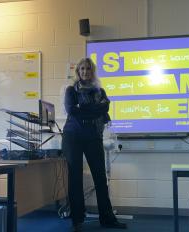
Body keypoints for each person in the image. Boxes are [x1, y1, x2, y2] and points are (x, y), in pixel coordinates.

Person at [62, 58, 127, 232]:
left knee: (99, 176)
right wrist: (94, 109)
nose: (85, 72)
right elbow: (71, 111)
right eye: (82, 69)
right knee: (75, 177)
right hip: (73, 136)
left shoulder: (100, 91)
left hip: (93, 136)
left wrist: (84, 109)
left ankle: (107, 219)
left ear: (92, 71)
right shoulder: (71, 90)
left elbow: (104, 108)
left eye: (88, 69)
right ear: (78, 71)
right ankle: (77, 219)